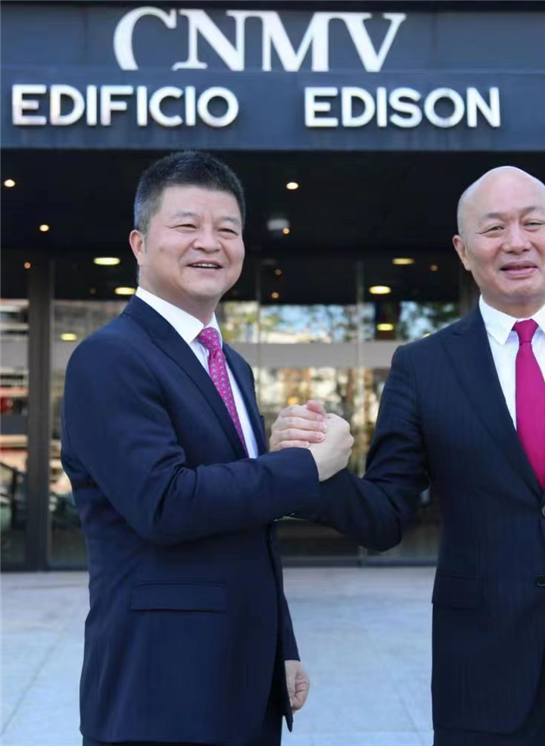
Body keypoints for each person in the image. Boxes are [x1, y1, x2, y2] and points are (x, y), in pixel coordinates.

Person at [271, 167, 545, 746]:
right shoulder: (422, 367)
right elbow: (385, 517)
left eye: (532, 223)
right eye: (495, 228)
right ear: (463, 249)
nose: (517, 242)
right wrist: (314, 469)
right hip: (482, 674)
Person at [61, 151, 354, 746]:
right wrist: (302, 466)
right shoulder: (109, 357)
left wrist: (281, 644)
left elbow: (249, 525)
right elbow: (164, 504)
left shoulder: (231, 365)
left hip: (244, 678)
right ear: (140, 243)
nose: (210, 243)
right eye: (187, 225)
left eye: (227, 228)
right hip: (159, 686)